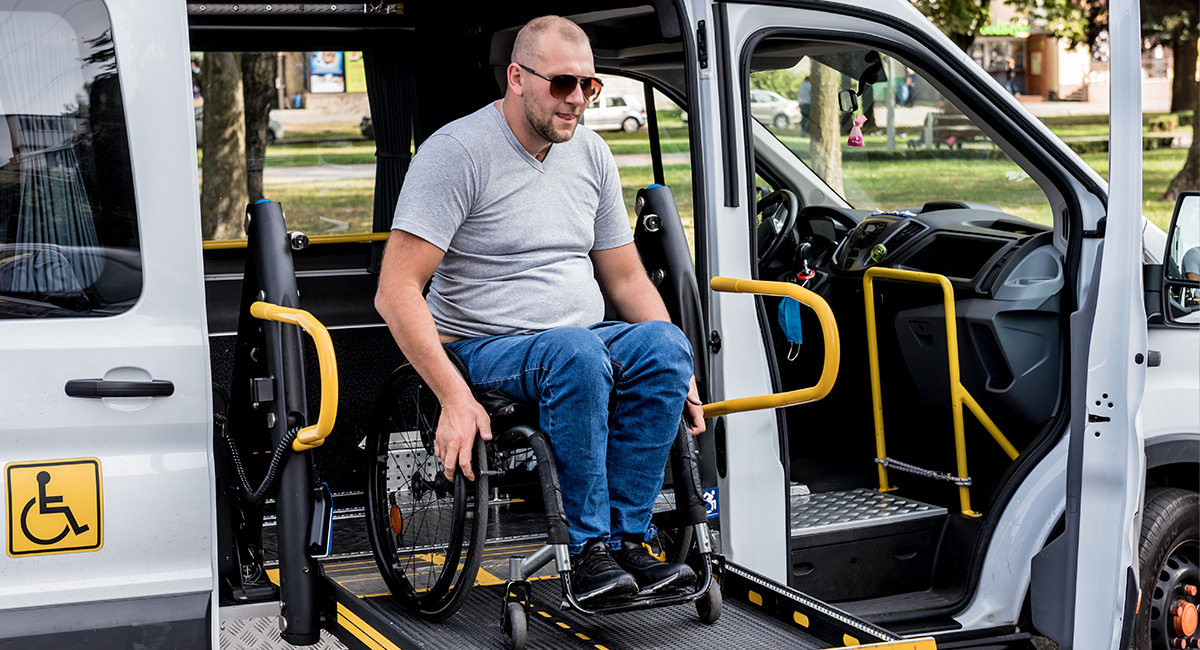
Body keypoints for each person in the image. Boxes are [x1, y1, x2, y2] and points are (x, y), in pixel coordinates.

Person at [375, 15, 706, 606]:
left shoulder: (593, 154)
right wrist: (453, 397)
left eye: (589, 86)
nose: (577, 100)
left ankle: (627, 542)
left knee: (666, 346)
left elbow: (626, 275)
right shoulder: (456, 153)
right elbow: (396, 290)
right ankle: (587, 553)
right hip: (485, 347)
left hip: (578, 341)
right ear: (517, 78)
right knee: (574, 353)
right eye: (561, 84)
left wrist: (681, 376)